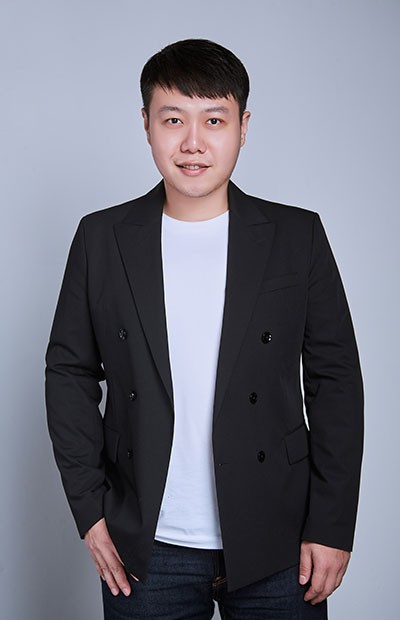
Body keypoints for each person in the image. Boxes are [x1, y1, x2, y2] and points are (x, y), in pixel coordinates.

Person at [45, 39, 364, 619]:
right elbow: (68, 373)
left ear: (243, 127)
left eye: (214, 120)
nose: (193, 142)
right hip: (146, 546)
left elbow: (336, 381)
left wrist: (332, 523)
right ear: (146, 125)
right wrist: (90, 512)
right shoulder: (101, 238)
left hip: (281, 539)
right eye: (173, 120)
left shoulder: (297, 237)